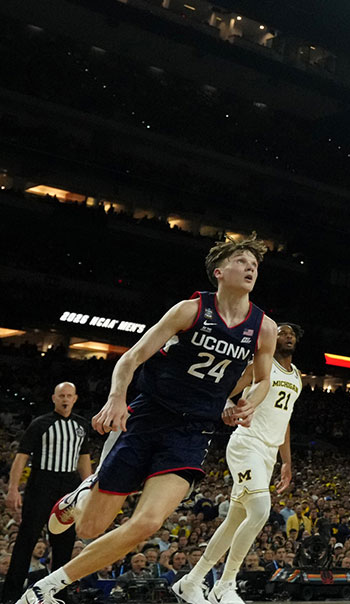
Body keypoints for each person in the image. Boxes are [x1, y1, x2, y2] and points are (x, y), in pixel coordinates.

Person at [14, 236, 275, 604]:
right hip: (149, 417)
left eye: (255, 265)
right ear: (219, 272)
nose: (251, 268)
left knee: (148, 524)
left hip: (193, 430)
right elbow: (132, 357)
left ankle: (44, 590)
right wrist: (117, 398)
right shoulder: (190, 310)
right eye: (242, 261)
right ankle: (80, 496)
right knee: (90, 529)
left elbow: (263, 380)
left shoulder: (263, 327)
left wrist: (248, 403)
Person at [174, 322, 303, 604]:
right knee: (259, 511)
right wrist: (226, 409)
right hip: (247, 444)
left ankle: (192, 581)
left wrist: (287, 461)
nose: (288, 335)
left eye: (292, 333)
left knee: (235, 521)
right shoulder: (260, 365)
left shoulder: (297, 376)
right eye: (282, 331)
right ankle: (225, 583)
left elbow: (286, 419)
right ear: (271, 337)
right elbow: (225, 389)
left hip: (269, 453)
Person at [4, 384, 95, 602]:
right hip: (41, 482)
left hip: (69, 485)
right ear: (54, 398)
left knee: (64, 542)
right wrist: (13, 488)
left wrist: (89, 489)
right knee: (27, 538)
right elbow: (22, 456)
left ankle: (58, 593)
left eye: (69, 396)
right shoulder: (40, 424)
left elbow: (83, 459)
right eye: (61, 395)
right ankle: (11, 594)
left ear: (75, 399)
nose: (65, 399)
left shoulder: (81, 425)